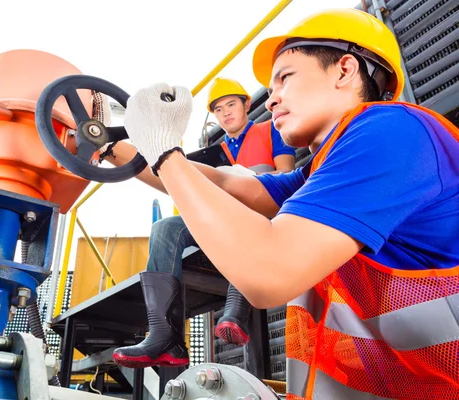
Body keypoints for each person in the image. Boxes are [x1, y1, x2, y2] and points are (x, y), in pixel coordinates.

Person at [112, 8, 459, 399]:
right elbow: (226, 183)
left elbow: (268, 272)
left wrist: (165, 154)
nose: (272, 99)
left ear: (345, 70)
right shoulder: (322, 174)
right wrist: (112, 147)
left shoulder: (389, 131)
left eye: (285, 78)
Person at [101, 79, 295, 367]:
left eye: (231, 104)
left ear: (246, 105)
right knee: (165, 229)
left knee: (242, 216)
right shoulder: (215, 153)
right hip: (222, 219)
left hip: (262, 217)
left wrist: (245, 180)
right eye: (218, 109)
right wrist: (112, 150)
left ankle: (237, 311)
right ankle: (165, 337)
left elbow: (286, 179)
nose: (226, 113)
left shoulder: (272, 130)